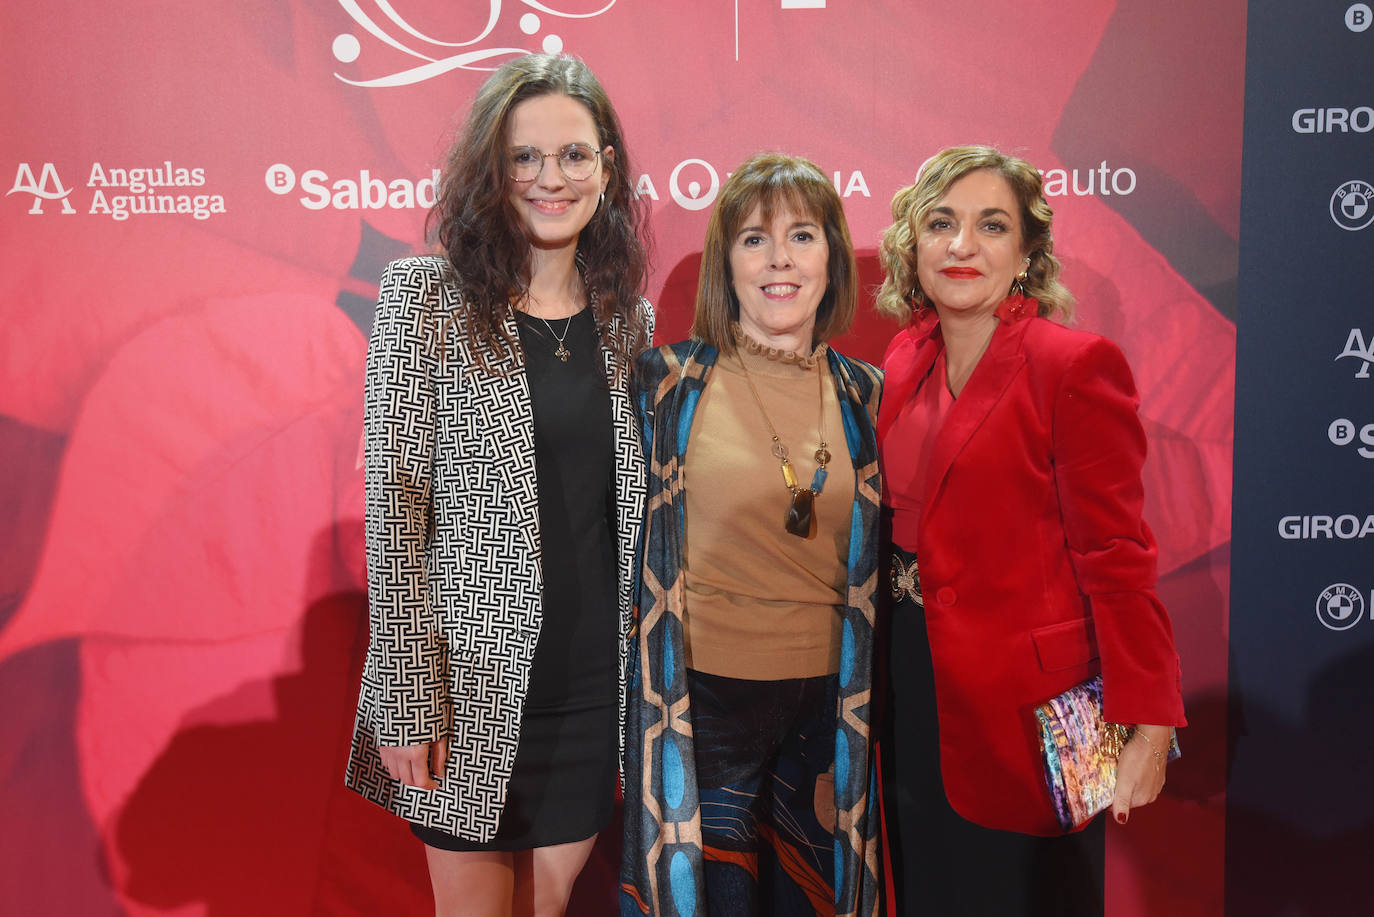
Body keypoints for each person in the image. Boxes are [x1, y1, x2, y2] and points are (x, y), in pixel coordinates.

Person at [344, 53, 652, 917]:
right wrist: (407, 693)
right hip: (466, 683)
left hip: (593, 684)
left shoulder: (629, 319)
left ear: (608, 169)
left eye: (574, 155)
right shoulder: (425, 298)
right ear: (491, 169)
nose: (549, 178)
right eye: (524, 157)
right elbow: (395, 503)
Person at [874, 145, 1187, 916]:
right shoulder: (905, 354)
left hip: (1029, 706)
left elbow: (1117, 555)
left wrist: (1149, 725)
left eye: (991, 225)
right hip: (910, 678)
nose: (961, 245)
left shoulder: (1073, 365)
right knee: (929, 889)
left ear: (1026, 254)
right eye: (941, 223)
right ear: (914, 244)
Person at [619, 153, 883, 917]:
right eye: (753, 240)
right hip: (701, 709)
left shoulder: (868, 394)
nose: (779, 261)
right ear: (723, 263)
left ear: (830, 257)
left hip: (831, 716)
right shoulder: (664, 385)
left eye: (802, 236)